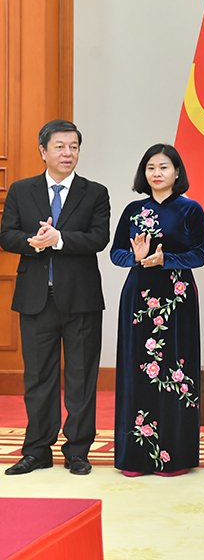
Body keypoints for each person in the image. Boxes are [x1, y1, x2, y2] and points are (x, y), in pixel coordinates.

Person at [1, 120, 111, 476]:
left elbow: (98, 238)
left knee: (81, 378)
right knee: (38, 378)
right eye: (60, 146)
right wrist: (33, 243)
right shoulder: (21, 190)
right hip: (35, 298)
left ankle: (77, 450)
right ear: (43, 151)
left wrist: (59, 239)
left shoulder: (95, 192)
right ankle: (37, 450)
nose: (68, 153)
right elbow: (7, 235)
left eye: (74, 146)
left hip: (81, 300)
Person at [109, 144, 204, 476]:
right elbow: (116, 253)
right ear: (144, 173)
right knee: (136, 370)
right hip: (138, 297)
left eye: (164, 167)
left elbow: (199, 254)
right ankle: (134, 458)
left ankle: (175, 457)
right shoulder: (133, 210)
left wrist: (166, 259)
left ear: (177, 172)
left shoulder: (191, 210)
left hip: (176, 298)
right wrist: (137, 258)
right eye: (151, 167)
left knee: (175, 369)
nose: (157, 173)